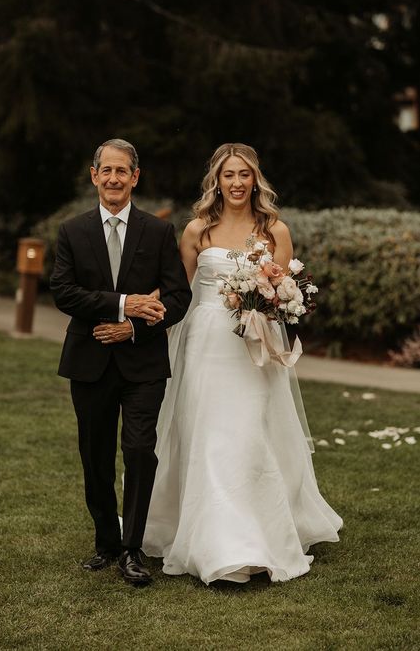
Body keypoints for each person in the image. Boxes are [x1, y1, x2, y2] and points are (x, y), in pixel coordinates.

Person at [142, 142, 343, 585]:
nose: (236, 183)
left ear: (255, 180)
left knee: (251, 433)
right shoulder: (198, 230)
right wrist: (135, 312)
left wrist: (269, 299)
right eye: (228, 175)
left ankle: (257, 535)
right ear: (216, 180)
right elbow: (178, 293)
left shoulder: (276, 231)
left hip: (254, 350)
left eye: (244, 175)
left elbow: (286, 295)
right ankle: (212, 539)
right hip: (206, 343)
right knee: (207, 435)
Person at [50, 138, 192, 585]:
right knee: (94, 456)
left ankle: (133, 548)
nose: (113, 179)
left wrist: (134, 327)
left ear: (135, 177)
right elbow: (63, 291)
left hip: (144, 364)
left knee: (138, 451)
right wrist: (124, 304)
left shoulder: (157, 232)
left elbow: (178, 295)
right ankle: (106, 543)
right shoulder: (72, 231)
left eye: (122, 171)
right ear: (94, 176)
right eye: (105, 171)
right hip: (88, 360)